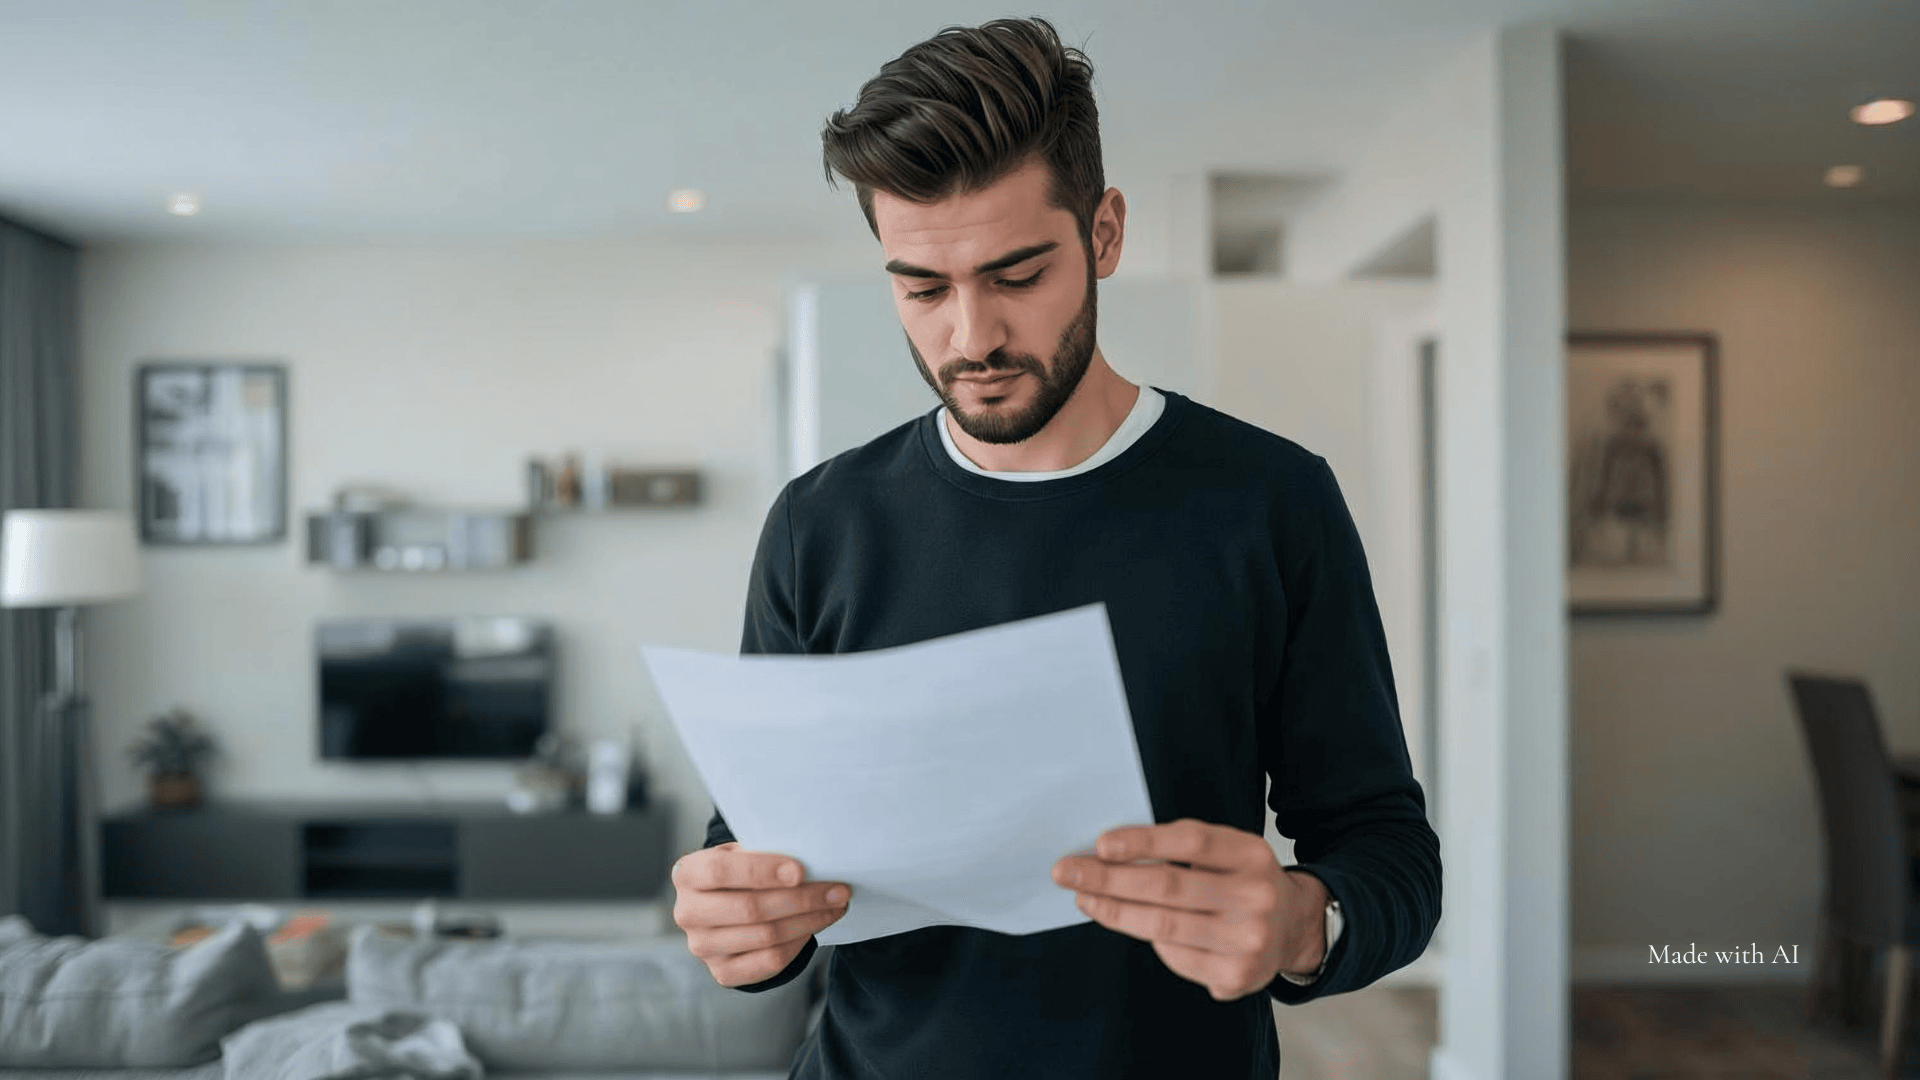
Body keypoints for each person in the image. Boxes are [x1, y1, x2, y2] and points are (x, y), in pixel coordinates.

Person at [669, 17, 1440, 1079]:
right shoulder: (821, 524)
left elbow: (1387, 850)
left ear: (1105, 234)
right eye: (923, 289)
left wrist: (1305, 923)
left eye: (1017, 275)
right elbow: (749, 850)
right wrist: (739, 925)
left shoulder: (1270, 501)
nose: (970, 337)